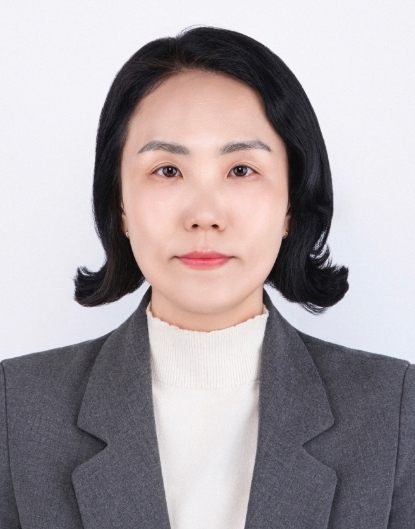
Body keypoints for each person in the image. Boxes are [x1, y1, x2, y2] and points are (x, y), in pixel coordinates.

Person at [1, 25, 414, 529]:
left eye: (241, 170)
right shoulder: (16, 409)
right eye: (167, 170)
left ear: (291, 204)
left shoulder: (393, 410)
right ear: (120, 205)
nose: (204, 216)